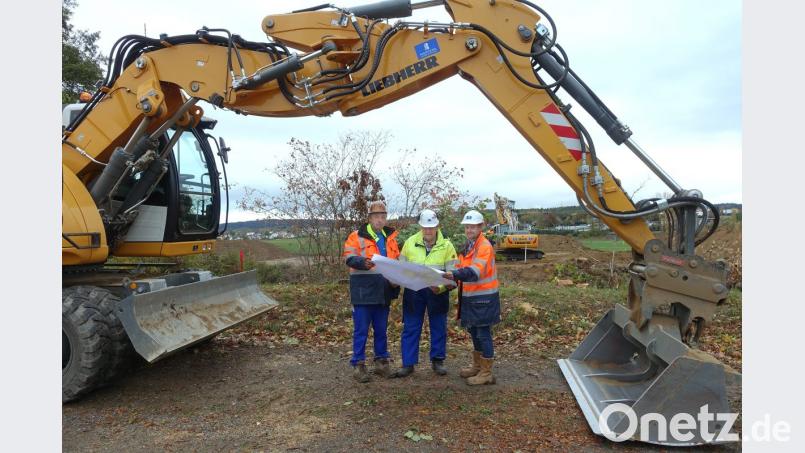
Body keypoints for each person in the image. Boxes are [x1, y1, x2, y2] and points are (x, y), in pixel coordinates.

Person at [391, 209, 458, 378]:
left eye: (432, 227)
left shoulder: (447, 246)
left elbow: (454, 275)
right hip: (414, 292)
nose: (428, 231)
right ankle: (408, 363)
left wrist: (441, 288)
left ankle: (437, 361)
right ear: (420, 226)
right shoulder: (410, 243)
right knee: (411, 327)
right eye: (425, 227)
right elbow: (401, 267)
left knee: (438, 326)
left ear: (437, 226)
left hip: (438, 292)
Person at [342, 201, 400, 383]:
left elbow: (396, 262)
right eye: (376, 216)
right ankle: (358, 365)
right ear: (369, 218)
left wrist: (397, 282)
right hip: (363, 290)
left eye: (383, 216)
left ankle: (381, 362)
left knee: (381, 329)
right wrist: (362, 262)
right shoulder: (356, 236)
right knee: (361, 330)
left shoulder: (390, 238)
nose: (380, 220)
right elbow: (349, 257)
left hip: (383, 290)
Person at [444, 209, 500, 385]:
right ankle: (478, 366)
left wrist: (453, 274)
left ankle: (486, 372)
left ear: (481, 227)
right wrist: (446, 278)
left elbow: (474, 272)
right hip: (471, 298)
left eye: (472, 227)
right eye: (467, 227)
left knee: (483, 333)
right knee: (474, 332)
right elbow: (459, 269)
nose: (469, 230)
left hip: (484, 299)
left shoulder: (484, 246)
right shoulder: (468, 246)